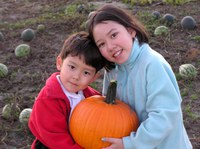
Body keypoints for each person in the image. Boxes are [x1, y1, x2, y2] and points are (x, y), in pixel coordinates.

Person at [87, 4, 192, 149]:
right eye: (102, 44)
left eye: (114, 35)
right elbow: (109, 110)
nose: (110, 46)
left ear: (131, 31)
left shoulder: (152, 64)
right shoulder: (112, 70)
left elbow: (164, 116)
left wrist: (130, 143)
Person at [28, 31, 106, 149]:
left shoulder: (89, 95)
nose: (76, 76)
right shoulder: (48, 99)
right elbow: (57, 139)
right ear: (60, 63)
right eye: (72, 67)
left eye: (86, 72)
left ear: (93, 78)